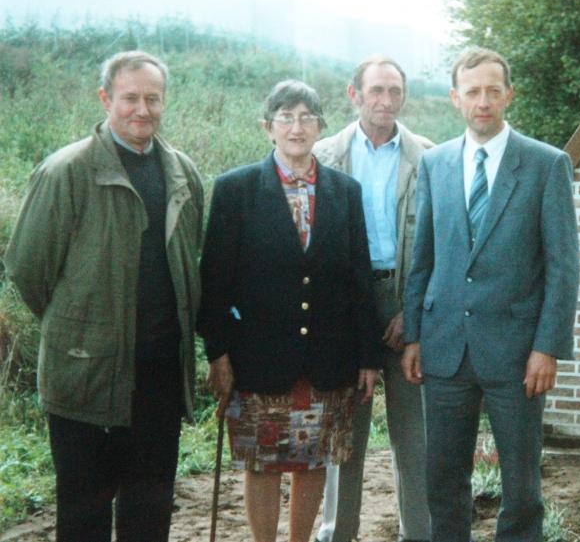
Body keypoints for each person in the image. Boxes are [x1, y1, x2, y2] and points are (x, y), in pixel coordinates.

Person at [4, 51, 204, 542]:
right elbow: (29, 270)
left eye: (152, 99)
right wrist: (81, 328)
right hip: (85, 374)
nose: (143, 109)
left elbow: (190, 257)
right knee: (84, 511)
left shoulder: (182, 172)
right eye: (130, 97)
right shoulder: (67, 171)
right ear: (105, 98)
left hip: (158, 375)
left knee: (150, 508)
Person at [401, 48, 580, 542]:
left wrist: (547, 347)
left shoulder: (546, 165)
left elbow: (564, 267)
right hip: (444, 349)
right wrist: (414, 334)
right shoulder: (434, 164)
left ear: (509, 95)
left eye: (492, 91)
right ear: (456, 98)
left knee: (522, 489)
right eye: (473, 91)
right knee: (442, 482)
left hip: (518, 353)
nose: (483, 101)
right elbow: (424, 258)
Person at [198, 79, 383, 542]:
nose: (296, 127)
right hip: (258, 359)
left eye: (306, 117)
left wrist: (368, 357)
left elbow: (359, 278)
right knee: (262, 462)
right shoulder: (234, 189)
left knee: (313, 459)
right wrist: (217, 355)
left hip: (328, 358)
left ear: (320, 126)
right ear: (268, 127)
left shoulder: (345, 191)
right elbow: (214, 282)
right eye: (286, 117)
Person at [313, 55, 432, 542]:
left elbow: (442, 243)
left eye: (395, 91)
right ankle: (337, 534)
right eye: (376, 90)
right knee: (344, 439)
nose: (386, 101)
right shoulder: (323, 156)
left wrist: (415, 311)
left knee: (415, 438)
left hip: (408, 302)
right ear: (354, 94)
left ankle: (419, 534)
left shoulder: (429, 156)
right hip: (346, 309)